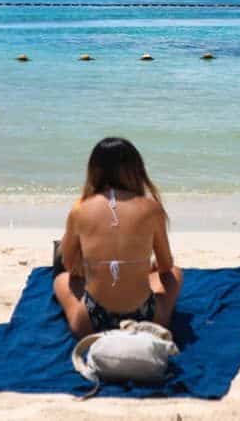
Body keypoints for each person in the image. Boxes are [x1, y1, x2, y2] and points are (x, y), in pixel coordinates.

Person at [53, 137, 183, 338]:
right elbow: (165, 265)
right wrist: (147, 267)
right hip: (146, 318)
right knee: (174, 273)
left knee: (61, 280)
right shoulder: (151, 208)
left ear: (93, 171)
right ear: (136, 170)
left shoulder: (81, 209)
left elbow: (69, 266)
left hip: (92, 322)